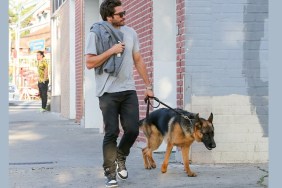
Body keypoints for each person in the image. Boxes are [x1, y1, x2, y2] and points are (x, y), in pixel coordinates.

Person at [85, 0, 154, 187]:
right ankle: (110, 173)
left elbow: (138, 59)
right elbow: (90, 63)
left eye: (124, 13)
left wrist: (148, 86)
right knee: (112, 132)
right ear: (109, 17)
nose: (125, 17)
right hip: (107, 92)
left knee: (132, 129)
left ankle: (120, 156)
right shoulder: (96, 33)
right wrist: (112, 51)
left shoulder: (131, 33)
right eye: (120, 14)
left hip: (128, 89)